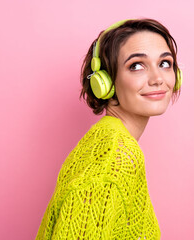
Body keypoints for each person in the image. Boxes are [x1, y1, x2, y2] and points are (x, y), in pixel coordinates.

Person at [35, 18, 182, 240]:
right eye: (136, 66)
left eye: (165, 63)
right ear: (106, 82)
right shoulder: (115, 156)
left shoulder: (105, 140)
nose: (157, 79)